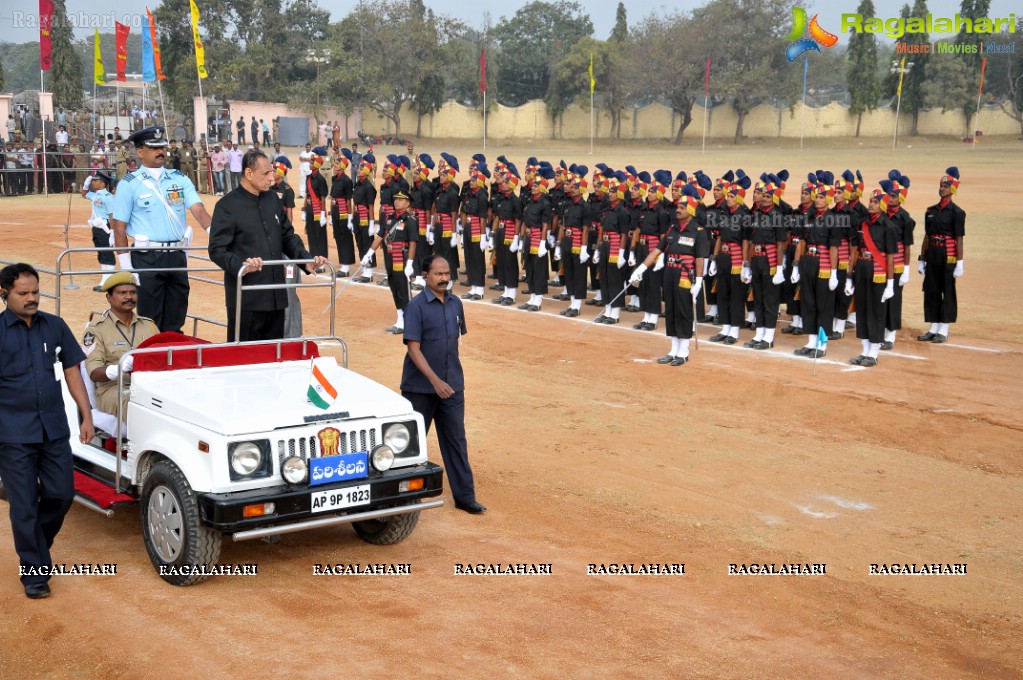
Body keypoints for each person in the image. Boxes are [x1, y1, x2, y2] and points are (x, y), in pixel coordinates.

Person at [0, 263, 94, 599]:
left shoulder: (54, 326)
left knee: (62, 494)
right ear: (4, 293)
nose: (31, 298)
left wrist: (86, 415)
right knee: (23, 504)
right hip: (12, 435)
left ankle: (36, 544)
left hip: (53, 428)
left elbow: (73, 371)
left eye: (35, 292)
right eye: (23, 293)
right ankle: (34, 574)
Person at [209, 150, 326, 342]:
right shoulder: (227, 206)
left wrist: (305, 260)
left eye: (272, 172)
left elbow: (287, 236)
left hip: (276, 298)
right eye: (266, 174)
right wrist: (241, 266)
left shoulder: (272, 199)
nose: (272, 178)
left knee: (273, 357)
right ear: (248, 174)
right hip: (247, 299)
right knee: (244, 359)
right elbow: (217, 249)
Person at [400, 254, 485, 515]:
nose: (444, 278)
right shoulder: (415, 307)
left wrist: (450, 381)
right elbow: (414, 348)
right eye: (438, 274)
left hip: (452, 387)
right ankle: (400, 499)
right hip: (420, 389)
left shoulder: (456, 304)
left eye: (447, 273)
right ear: (425, 276)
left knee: (456, 440)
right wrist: (435, 381)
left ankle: (465, 497)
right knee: (410, 444)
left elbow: (454, 343)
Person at [110, 126, 213, 333]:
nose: (160, 152)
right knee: (150, 319)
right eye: (153, 147)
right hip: (147, 257)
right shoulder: (129, 184)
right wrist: (127, 267)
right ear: (140, 152)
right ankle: (151, 362)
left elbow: (198, 210)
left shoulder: (179, 178)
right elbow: (118, 227)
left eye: (162, 147)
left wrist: (218, 236)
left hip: (176, 256)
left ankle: (173, 359)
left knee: (177, 315)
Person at [629, 186, 708, 365]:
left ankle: (683, 351)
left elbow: (700, 258)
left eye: (681, 208)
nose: (677, 210)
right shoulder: (672, 230)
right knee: (671, 310)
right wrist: (640, 269)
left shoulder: (698, 232)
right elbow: (656, 251)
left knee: (683, 312)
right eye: (678, 207)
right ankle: (673, 350)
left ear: (690, 210)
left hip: (685, 275)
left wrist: (699, 281)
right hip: (669, 273)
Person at [82, 272, 159, 418]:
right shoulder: (96, 329)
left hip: (146, 386)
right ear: (109, 297)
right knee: (137, 405)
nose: (129, 297)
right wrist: (119, 369)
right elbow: (94, 373)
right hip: (114, 390)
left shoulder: (149, 326)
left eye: (132, 292)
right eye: (122, 293)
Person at [846, 188, 897, 367]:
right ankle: (864, 349)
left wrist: (891, 284)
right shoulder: (862, 224)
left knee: (876, 312)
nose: (871, 204)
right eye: (870, 201)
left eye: (875, 202)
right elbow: (855, 251)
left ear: (882, 205)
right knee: (862, 310)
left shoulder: (889, 227)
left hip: (878, 273)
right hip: (862, 269)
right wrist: (849, 277)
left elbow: (890, 257)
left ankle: (874, 353)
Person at [918, 167, 965, 344]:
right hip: (933, 254)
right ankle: (933, 326)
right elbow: (927, 236)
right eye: (941, 185)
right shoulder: (930, 211)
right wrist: (922, 259)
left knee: (947, 291)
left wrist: (960, 262)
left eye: (945, 186)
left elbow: (958, 239)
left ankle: (944, 329)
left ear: (952, 189)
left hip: (948, 255)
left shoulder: (957, 213)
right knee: (931, 290)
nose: (942, 188)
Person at [362, 189, 417, 333]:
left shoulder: (410, 221)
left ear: (407, 203)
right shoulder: (390, 218)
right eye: (396, 199)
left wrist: (410, 263)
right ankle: (400, 320)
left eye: (400, 199)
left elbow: (412, 243)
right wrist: (369, 253)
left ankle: (409, 322)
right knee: (394, 288)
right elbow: (380, 237)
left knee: (403, 291)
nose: (396, 201)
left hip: (402, 260)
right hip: (390, 258)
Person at [81, 170, 117, 291]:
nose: (93, 183)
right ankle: (104, 280)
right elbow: (84, 194)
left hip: (105, 227)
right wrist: (85, 185)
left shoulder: (108, 197)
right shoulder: (95, 194)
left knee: (107, 254)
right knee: (101, 254)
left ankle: (109, 281)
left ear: (102, 183)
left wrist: (112, 232)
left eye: (95, 181)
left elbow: (112, 215)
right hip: (96, 227)